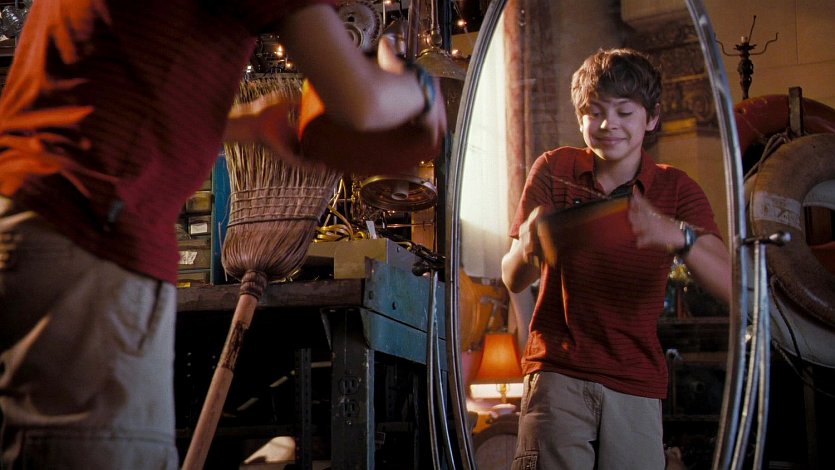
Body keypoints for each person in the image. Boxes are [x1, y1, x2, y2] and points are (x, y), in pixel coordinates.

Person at [0, 1, 445, 468]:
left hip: (39, 226)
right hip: (90, 237)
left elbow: (102, 96)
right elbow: (362, 104)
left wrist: (245, 124)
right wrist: (420, 89)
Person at [501, 48, 730, 470]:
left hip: (636, 381)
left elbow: (734, 286)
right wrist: (529, 245)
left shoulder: (676, 188)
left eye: (625, 112)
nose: (609, 125)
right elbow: (512, 277)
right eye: (595, 112)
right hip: (558, 373)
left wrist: (677, 234)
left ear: (652, 118)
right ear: (580, 118)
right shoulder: (554, 167)